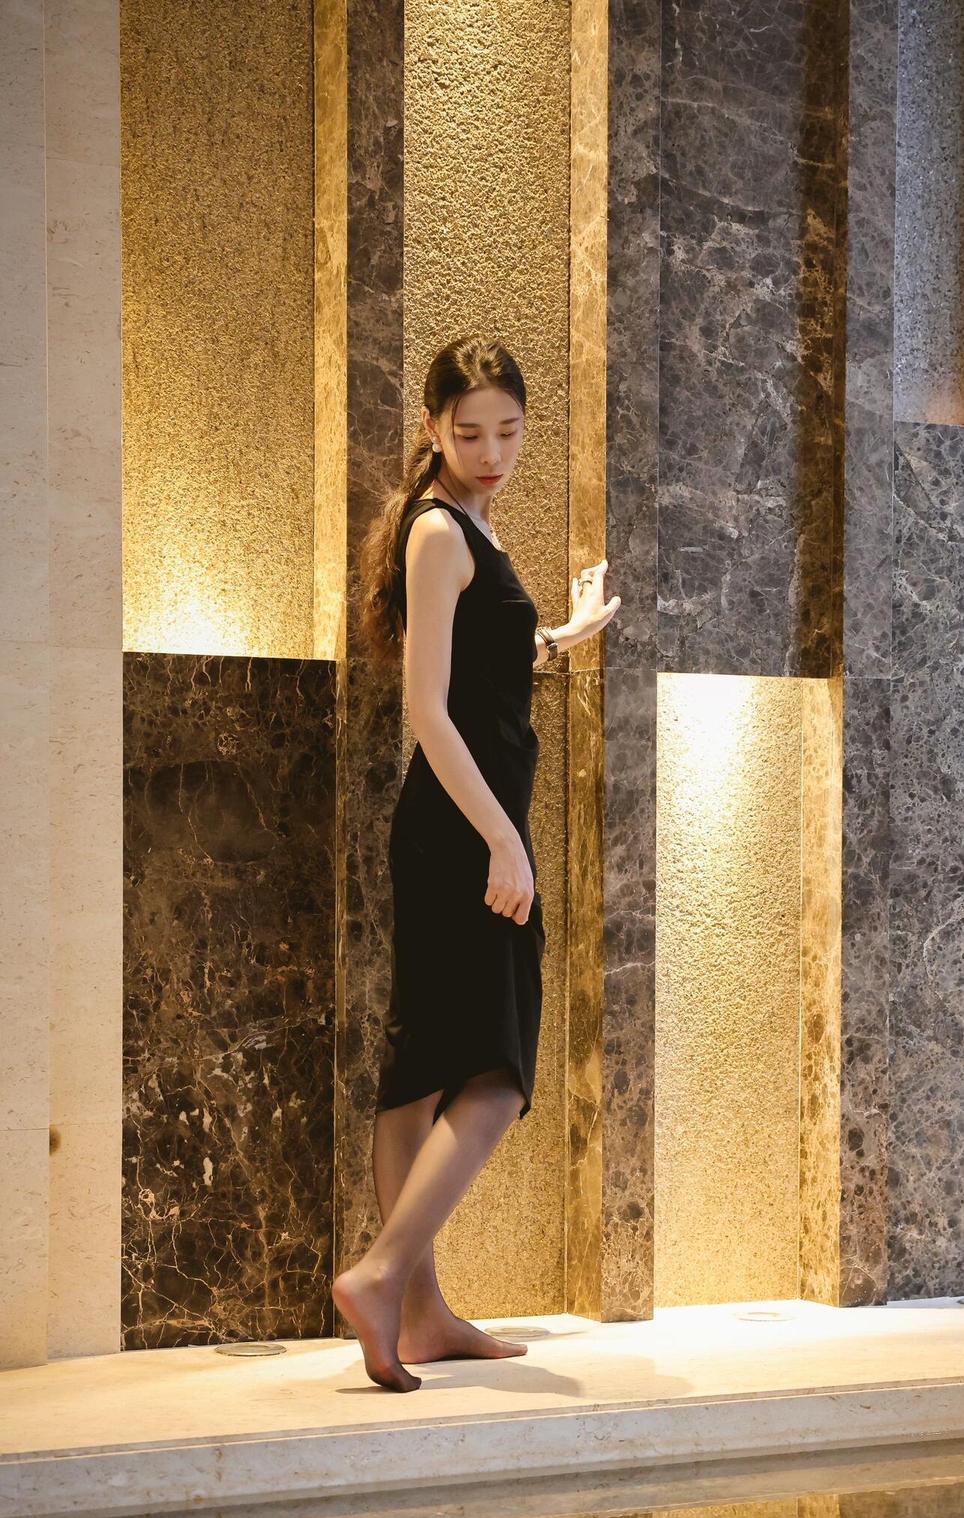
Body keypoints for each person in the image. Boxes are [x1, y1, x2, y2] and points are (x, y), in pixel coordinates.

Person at [332, 336, 621, 1390]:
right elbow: (427, 708)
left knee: (420, 1077)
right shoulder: (437, 533)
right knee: (494, 1074)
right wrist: (503, 838)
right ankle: (381, 1278)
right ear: (431, 428)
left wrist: (565, 635)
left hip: (464, 824)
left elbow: (484, 673)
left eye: (508, 432)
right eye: (469, 434)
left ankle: (419, 1316)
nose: (492, 453)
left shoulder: (470, 525)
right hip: (462, 830)